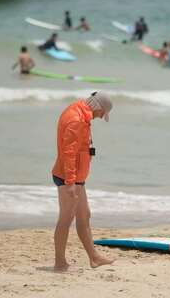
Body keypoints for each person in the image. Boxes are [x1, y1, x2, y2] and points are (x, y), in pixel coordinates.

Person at [51, 92, 115, 272]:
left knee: (84, 215)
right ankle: (60, 263)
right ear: (97, 107)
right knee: (66, 218)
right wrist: (70, 182)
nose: (101, 117)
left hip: (76, 177)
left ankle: (94, 258)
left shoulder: (81, 113)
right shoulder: (77, 119)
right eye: (102, 113)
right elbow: (69, 153)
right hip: (67, 178)